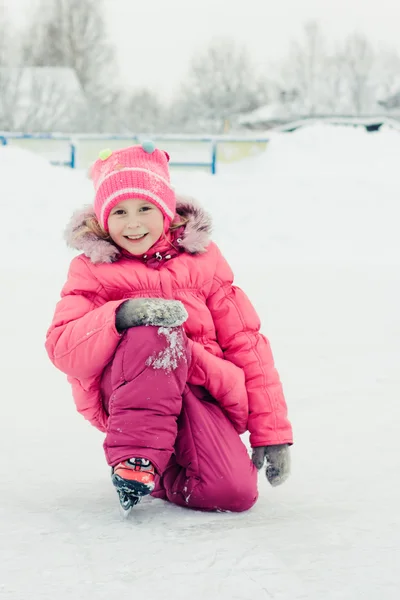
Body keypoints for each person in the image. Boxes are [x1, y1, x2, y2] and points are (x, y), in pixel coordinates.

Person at [45, 141, 293, 514]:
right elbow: (64, 349)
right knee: (155, 330)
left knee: (233, 494)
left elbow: (247, 342)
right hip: (129, 393)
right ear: (102, 217)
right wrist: (121, 315)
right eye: (119, 212)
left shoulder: (204, 262)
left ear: (165, 210)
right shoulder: (92, 269)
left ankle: (160, 470)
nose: (132, 223)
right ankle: (137, 459)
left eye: (145, 208)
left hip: (199, 390)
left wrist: (271, 433)